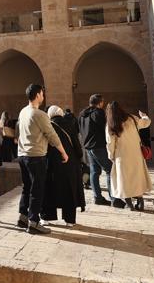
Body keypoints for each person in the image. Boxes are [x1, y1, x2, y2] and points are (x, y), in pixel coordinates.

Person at [17, 84, 68, 234]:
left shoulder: (23, 111)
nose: (43, 96)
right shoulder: (39, 114)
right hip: (36, 156)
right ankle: (33, 222)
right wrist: (63, 153)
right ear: (38, 95)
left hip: (23, 155)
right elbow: (52, 135)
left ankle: (23, 217)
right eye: (42, 93)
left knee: (27, 187)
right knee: (37, 190)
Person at [42, 106, 86, 226]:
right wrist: (79, 157)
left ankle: (47, 217)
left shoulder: (47, 125)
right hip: (69, 163)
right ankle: (69, 220)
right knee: (69, 190)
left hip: (51, 163)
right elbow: (77, 145)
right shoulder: (70, 124)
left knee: (49, 189)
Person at [106, 101, 153, 210]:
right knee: (137, 177)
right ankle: (140, 203)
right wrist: (144, 116)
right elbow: (146, 123)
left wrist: (111, 155)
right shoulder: (132, 119)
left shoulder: (111, 124)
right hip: (136, 153)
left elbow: (110, 143)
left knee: (124, 179)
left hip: (121, 155)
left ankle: (129, 204)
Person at [79, 94, 113, 206]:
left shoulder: (82, 114)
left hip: (88, 147)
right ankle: (114, 198)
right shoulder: (98, 112)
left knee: (94, 172)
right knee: (110, 170)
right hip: (98, 146)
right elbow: (105, 127)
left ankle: (97, 197)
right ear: (100, 102)